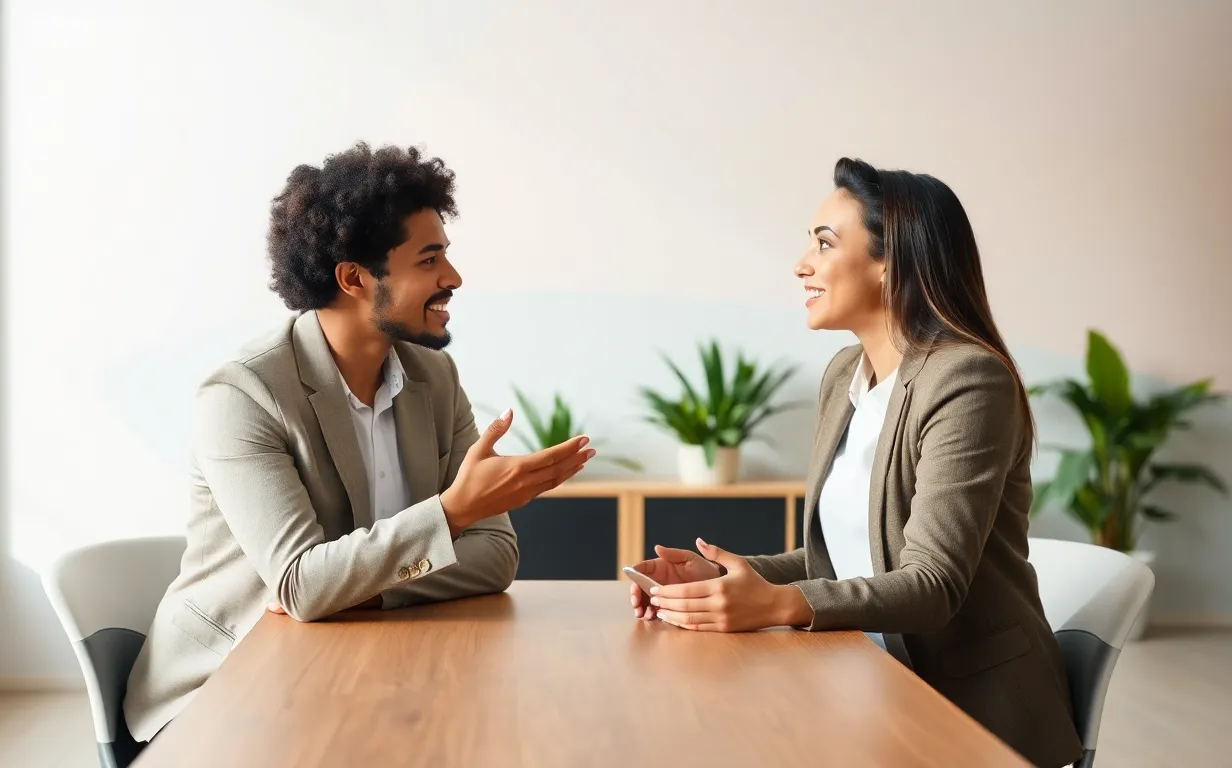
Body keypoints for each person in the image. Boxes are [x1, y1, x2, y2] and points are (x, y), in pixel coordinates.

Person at [124, 142, 595, 743]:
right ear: (353, 278)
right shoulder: (243, 395)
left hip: (349, 669)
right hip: (222, 694)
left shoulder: (433, 376)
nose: (453, 278)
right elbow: (300, 584)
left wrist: (362, 593)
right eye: (429, 259)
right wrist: (451, 514)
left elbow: (496, 555)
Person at [627, 157, 1082, 767]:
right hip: (860, 680)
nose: (801, 264)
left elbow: (931, 584)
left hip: (969, 715)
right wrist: (724, 578)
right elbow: (845, 558)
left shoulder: (969, 380)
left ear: (891, 262)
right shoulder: (846, 375)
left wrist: (779, 604)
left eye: (824, 243)